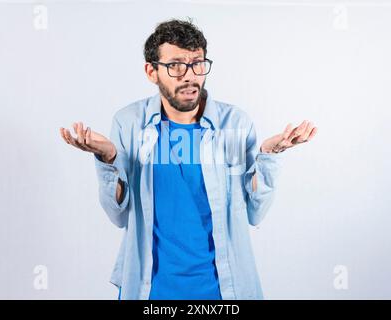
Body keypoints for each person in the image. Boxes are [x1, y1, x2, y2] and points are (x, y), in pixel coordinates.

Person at [59, 18, 317, 300]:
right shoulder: (129, 123)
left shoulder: (233, 123)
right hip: (150, 289)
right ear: (151, 71)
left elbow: (256, 212)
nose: (189, 75)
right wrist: (107, 158)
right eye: (176, 65)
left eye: (197, 63)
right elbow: (118, 215)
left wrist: (269, 155)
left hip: (222, 291)